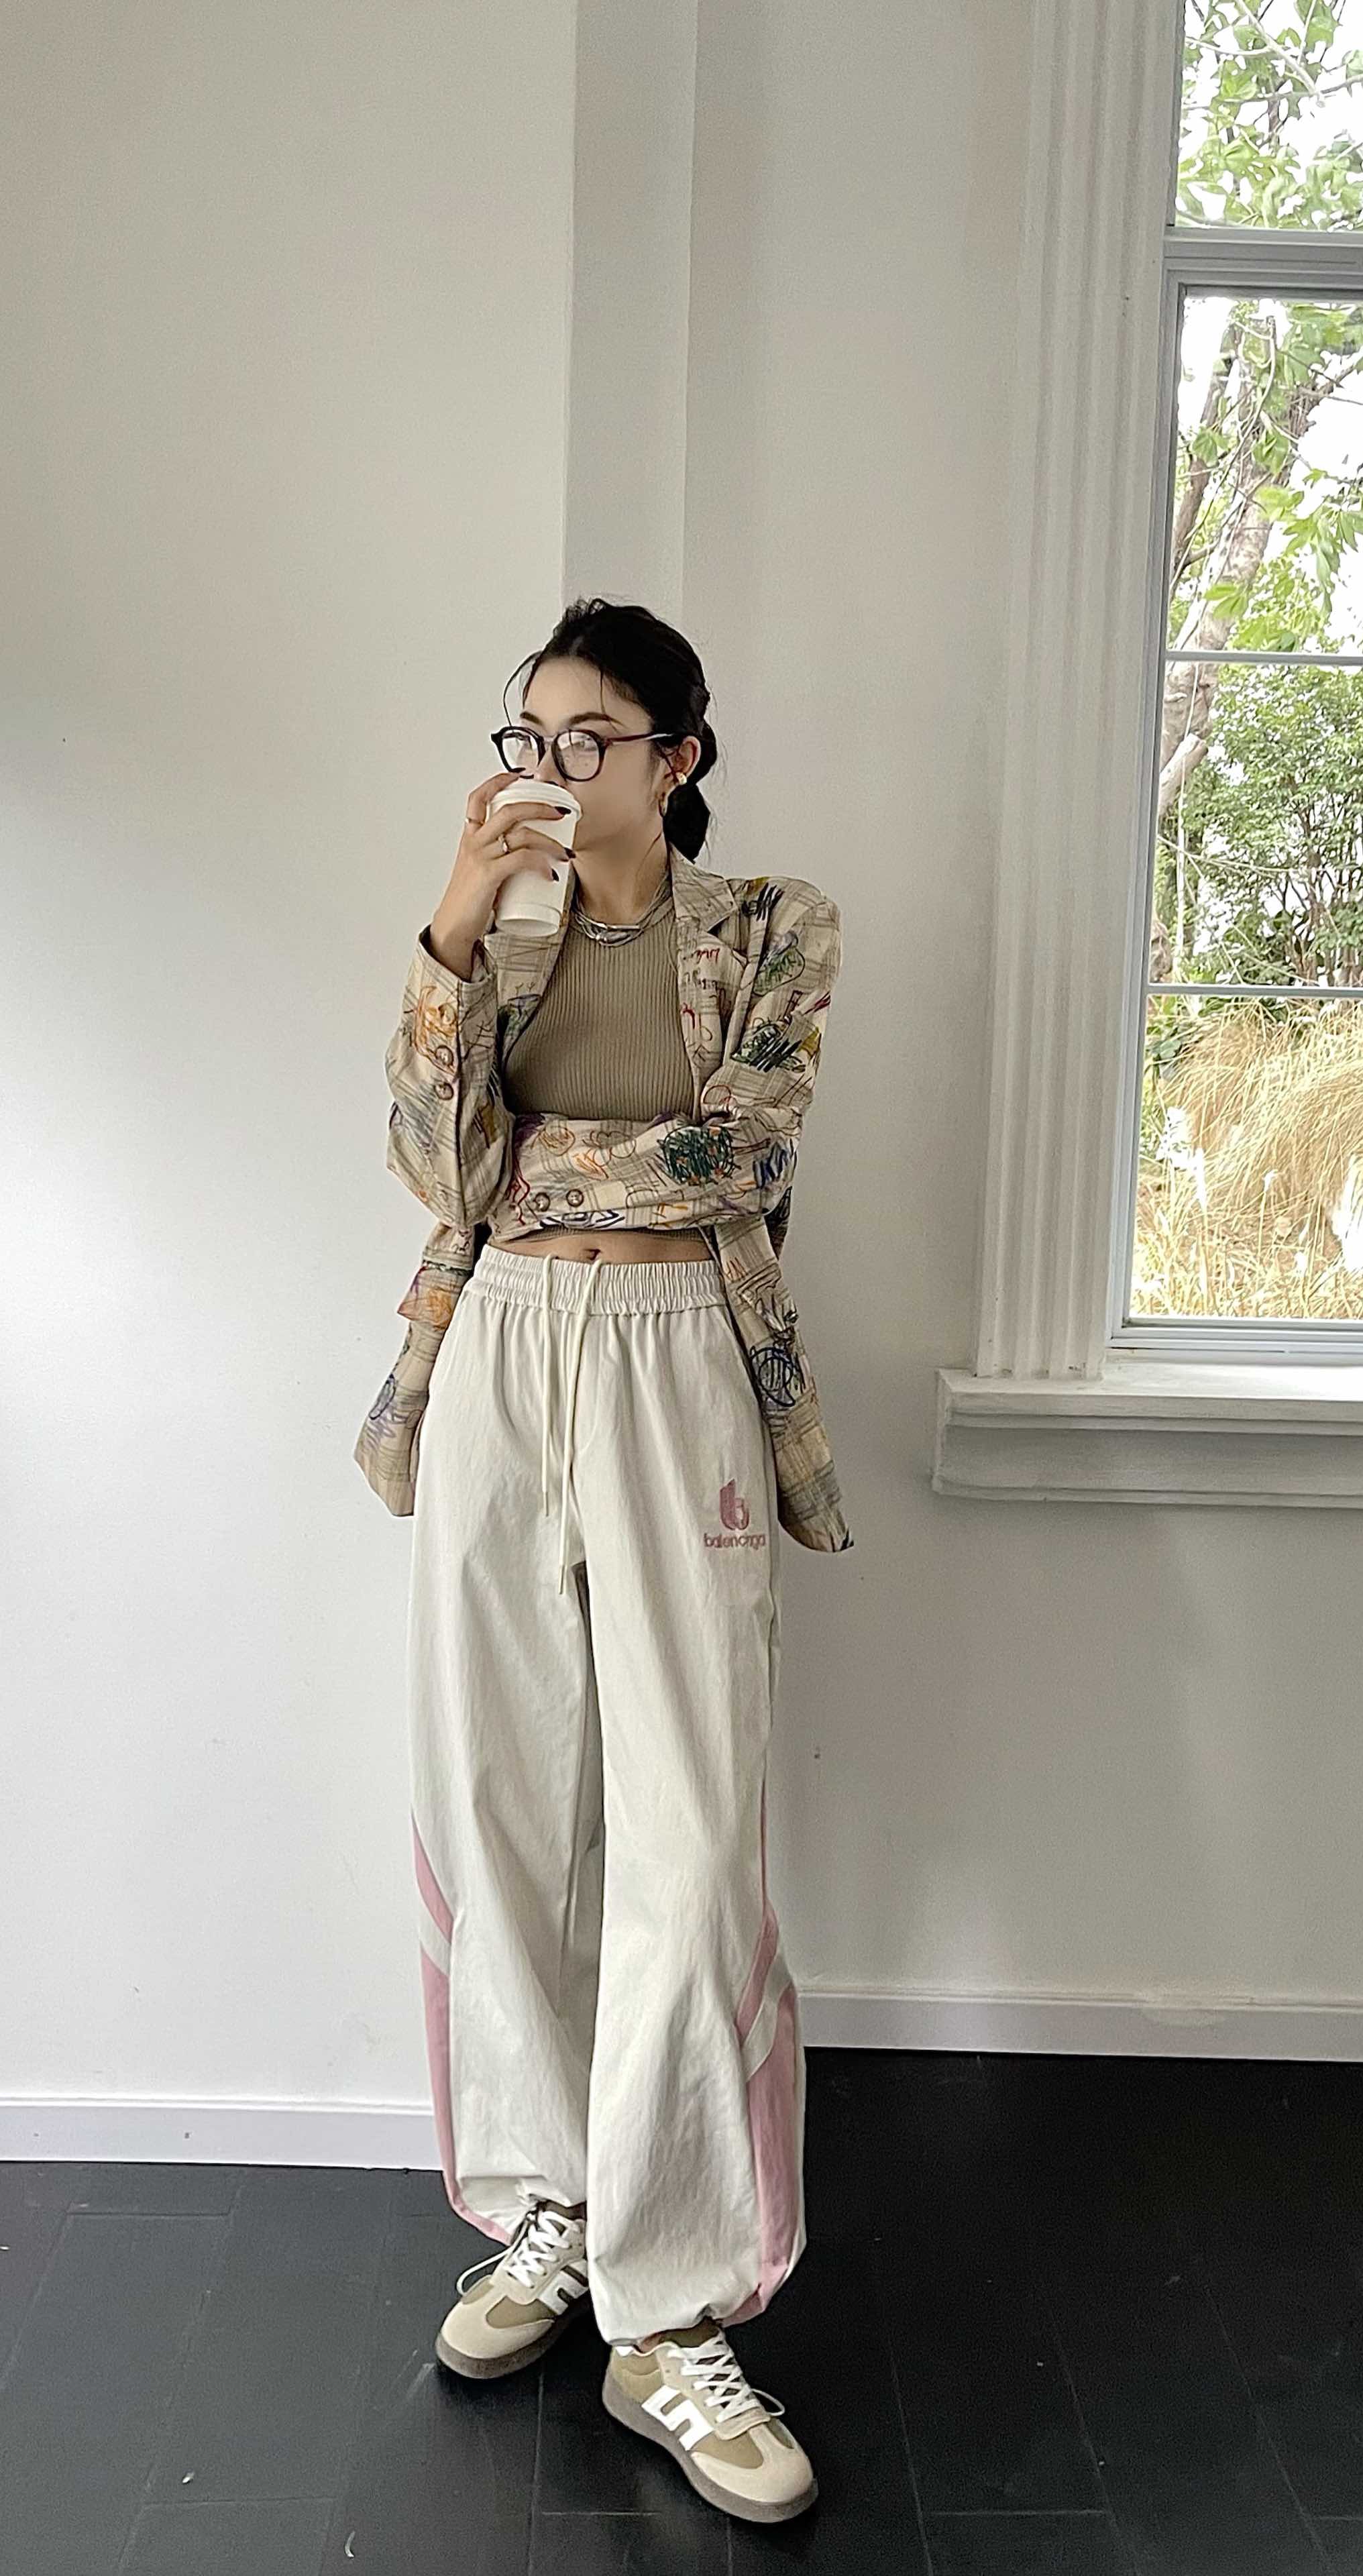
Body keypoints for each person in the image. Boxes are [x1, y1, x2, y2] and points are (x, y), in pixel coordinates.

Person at [385, 598, 847, 2526]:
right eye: (533, 736)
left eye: (594, 737)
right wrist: (449, 919)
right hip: (498, 1354)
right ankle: (553, 2206)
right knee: (498, 1794)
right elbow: (438, 1170)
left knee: (690, 1824)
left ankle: (674, 2304)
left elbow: (741, 1162)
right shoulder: (492, 940)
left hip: (676, 1360)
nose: (555, 770)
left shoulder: (776, 929)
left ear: (677, 754)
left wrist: (538, 1166)